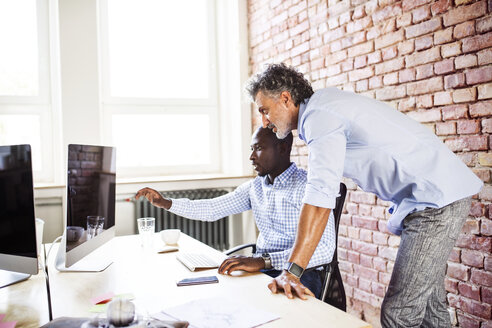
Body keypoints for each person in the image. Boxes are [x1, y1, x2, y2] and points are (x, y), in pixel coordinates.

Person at [246, 63, 483, 328]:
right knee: (430, 307)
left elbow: (319, 199)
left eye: (264, 110)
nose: (265, 121)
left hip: (435, 201)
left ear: (285, 98)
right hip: (434, 196)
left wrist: (292, 272)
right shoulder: (323, 107)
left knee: (399, 314)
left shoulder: (319, 117)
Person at [135, 127, 336, 299]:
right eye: (251, 149)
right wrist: (166, 203)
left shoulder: (309, 188)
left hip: (301, 273)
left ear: (282, 149)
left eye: (258, 148)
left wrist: (262, 261)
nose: (251, 156)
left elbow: (325, 250)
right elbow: (212, 208)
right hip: (264, 268)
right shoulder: (255, 188)